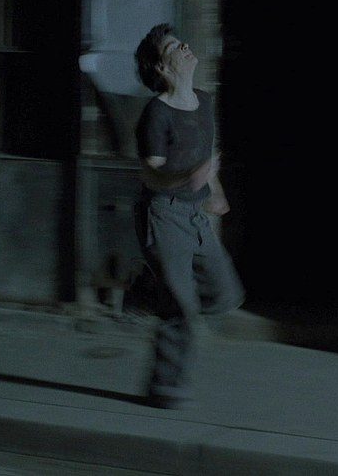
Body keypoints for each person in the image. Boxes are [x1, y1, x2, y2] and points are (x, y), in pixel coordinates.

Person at [131, 23, 245, 409]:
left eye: (182, 43)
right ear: (162, 68)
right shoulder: (156, 113)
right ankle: (165, 388)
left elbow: (204, 160)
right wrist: (187, 178)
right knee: (181, 310)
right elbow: (151, 174)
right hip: (163, 214)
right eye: (174, 48)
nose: (184, 48)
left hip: (195, 214)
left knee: (225, 294)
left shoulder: (204, 102)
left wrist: (216, 192)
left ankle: (152, 290)